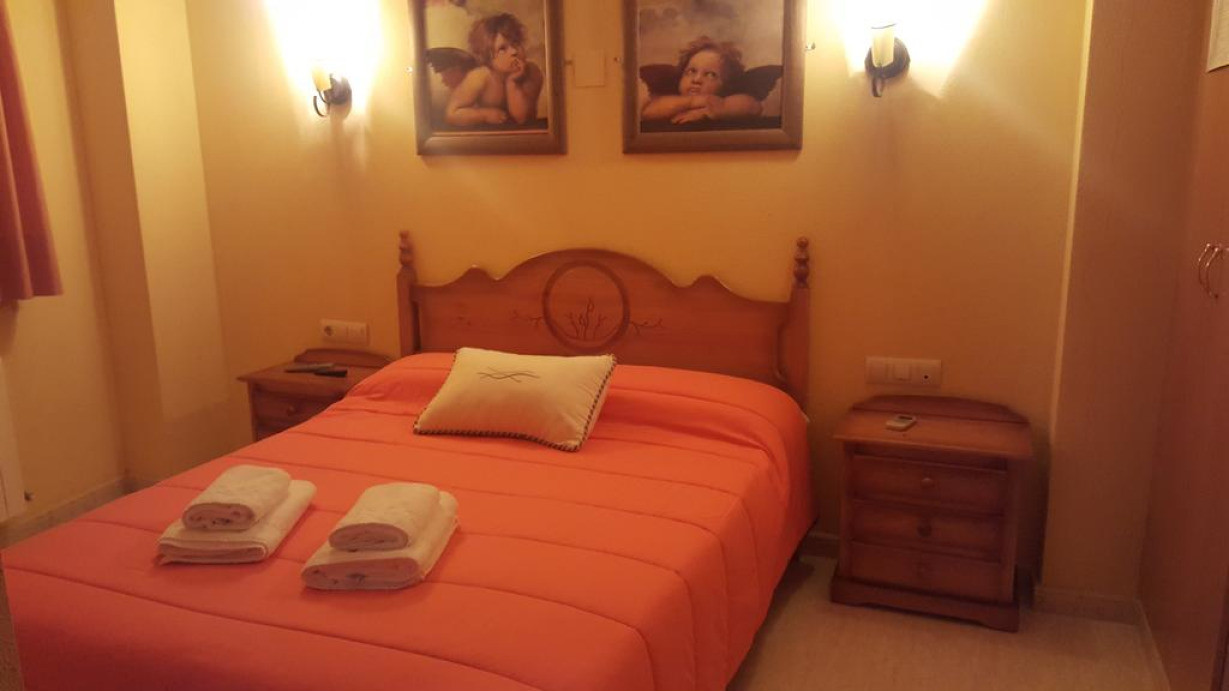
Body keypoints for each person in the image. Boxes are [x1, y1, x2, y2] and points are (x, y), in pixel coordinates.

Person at [444, 13, 544, 127]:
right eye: (502, 49)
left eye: (516, 43)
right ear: (488, 56)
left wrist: (512, 83)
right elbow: (451, 114)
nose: (514, 52)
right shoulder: (480, 77)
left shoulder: (532, 72)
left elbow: (521, 119)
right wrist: (483, 115)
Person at [641, 37, 764, 125]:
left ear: (727, 85)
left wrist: (712, 109)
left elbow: (753, 106)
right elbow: (647, 111)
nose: (696, 79)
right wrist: (693, 102)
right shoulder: (668, 100)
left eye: (710, 75)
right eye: (691, 71)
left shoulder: (729, 101)